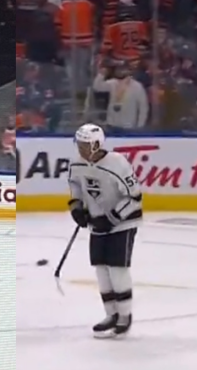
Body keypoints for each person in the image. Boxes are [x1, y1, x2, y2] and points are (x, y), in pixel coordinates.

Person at [67, 123, 142, 338]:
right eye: (79, 143)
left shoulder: (117, 163)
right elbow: (76, 186)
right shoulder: (77, 163)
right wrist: (76, 207)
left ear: (97, 144)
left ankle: (125, 316)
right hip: (97, 222)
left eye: (85, 144)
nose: (81, 148)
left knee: (117, 269)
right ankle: (111, 314)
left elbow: (134, 196)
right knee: (101, 269)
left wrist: (113, 218)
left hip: (123, 223)